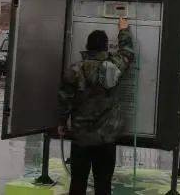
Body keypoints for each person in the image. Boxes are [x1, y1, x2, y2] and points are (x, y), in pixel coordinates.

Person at [57, 16, 135, 195]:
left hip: (81, 137)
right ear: (106, 47)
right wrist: (123, 29)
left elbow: (64, 100)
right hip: (106, 138)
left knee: (78, 183)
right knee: (103, 184)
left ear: (87, 46)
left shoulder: (75, 69)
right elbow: (127, 54)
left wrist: (62, 123)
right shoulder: (113, 66)